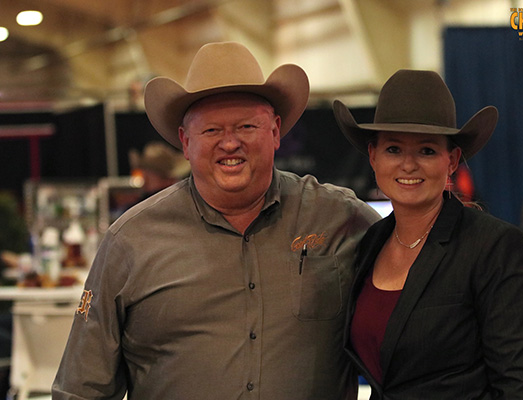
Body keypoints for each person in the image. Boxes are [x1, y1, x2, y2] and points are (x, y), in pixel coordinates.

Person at [52, 42, 380, 400]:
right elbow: (82, 390)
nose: (230, 143)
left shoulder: (341, 218)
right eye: (211, 131)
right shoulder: (131, 241)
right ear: (185, 141)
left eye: (246, 126)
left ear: (275, 132)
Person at [333, 70, 523, 399]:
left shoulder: (493, 246)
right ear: (373, 156)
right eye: (393, 149)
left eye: (427, 150)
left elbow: (520, 387)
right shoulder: (370, 243)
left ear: (452, 160)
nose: (408, 164)